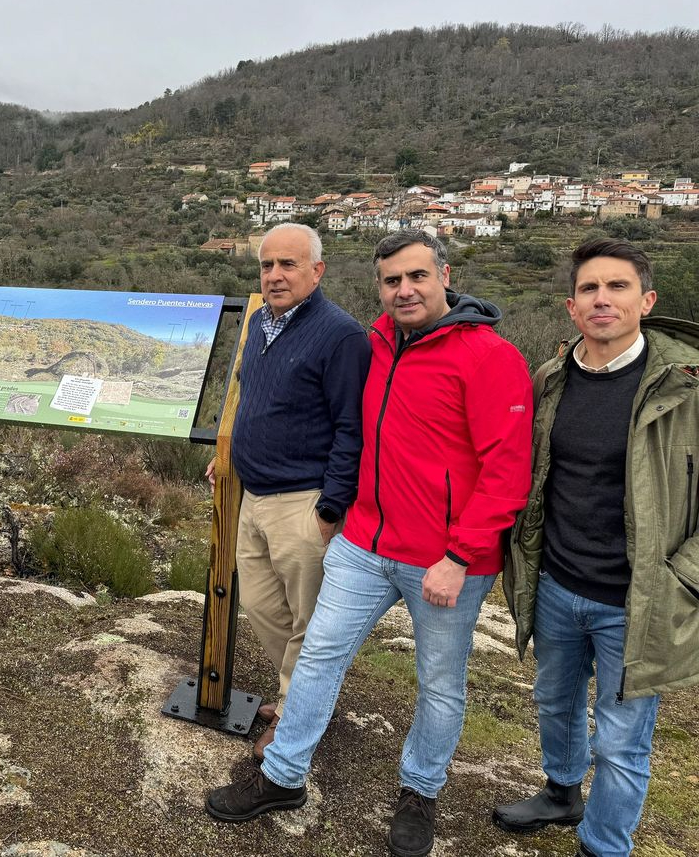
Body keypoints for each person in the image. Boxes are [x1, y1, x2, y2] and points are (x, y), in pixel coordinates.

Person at [205, 229, 533, 857]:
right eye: (391, 280)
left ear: (444, 275)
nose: (404, 290)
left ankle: (419, 793)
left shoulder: (489, 356)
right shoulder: (378, 342)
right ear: (378, 286)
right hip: (366, 540)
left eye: (417, 276)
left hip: (443, 559)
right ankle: (282, 776)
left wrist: (459, 556)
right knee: (320, 655)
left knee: (439, 683)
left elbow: (507, 469)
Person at [494, 239, 699, 857]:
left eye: (617, 287)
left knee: (622, 740)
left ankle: (605, 844)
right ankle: (561, 791)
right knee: (554, 701)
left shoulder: (686, 389)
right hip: (558, 583)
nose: (602, 299)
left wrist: (684, 576)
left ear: (647, 300)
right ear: (571, 305)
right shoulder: (550, 380)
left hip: (638, 598)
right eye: (590, 289)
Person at [205, 223, 369, 759]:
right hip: (254, 495)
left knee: (308, 621)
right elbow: (252, 398)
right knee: (259, 605)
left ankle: (296, 715)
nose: (275, 275)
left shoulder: (341, 335)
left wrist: (330, 508)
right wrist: (227, 456)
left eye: (288, 265)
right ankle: (304, 696)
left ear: (317, 271)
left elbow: (352, 428)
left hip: (304, 501)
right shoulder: (259, 322)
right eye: (267, 265)